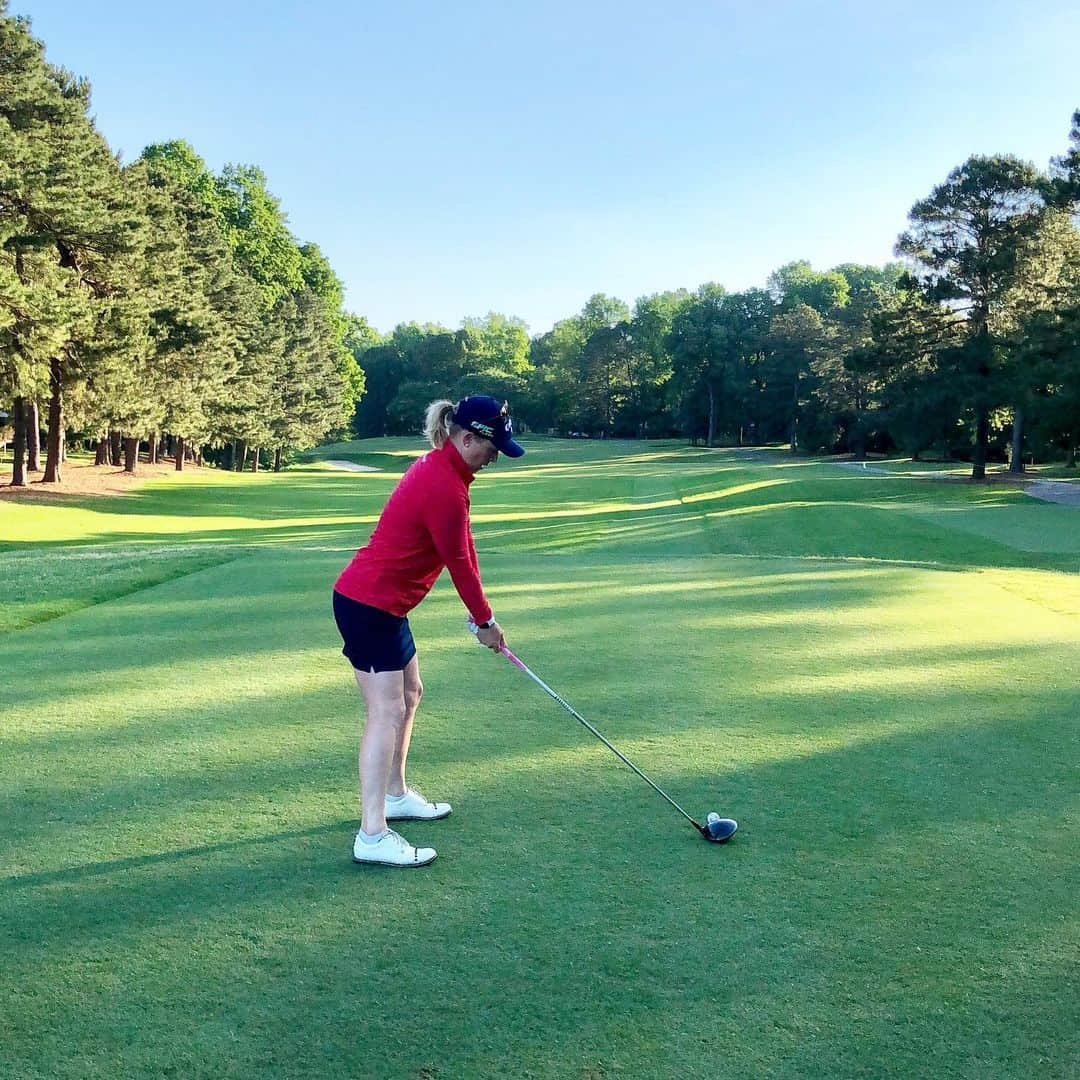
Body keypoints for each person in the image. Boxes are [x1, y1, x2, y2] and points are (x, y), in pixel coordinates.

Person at [332, 395, 525, 867]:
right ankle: (372, 835)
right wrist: (484, 622)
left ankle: (395, 795)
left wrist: (487, 619)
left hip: (384, 606)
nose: (496, 455)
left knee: (411, 692)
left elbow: (464, 547)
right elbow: (458, 564)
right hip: (368, 604)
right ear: (466, 438)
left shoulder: (450, 474)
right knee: (386, 710)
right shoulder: (442, 483)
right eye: (491, 445)